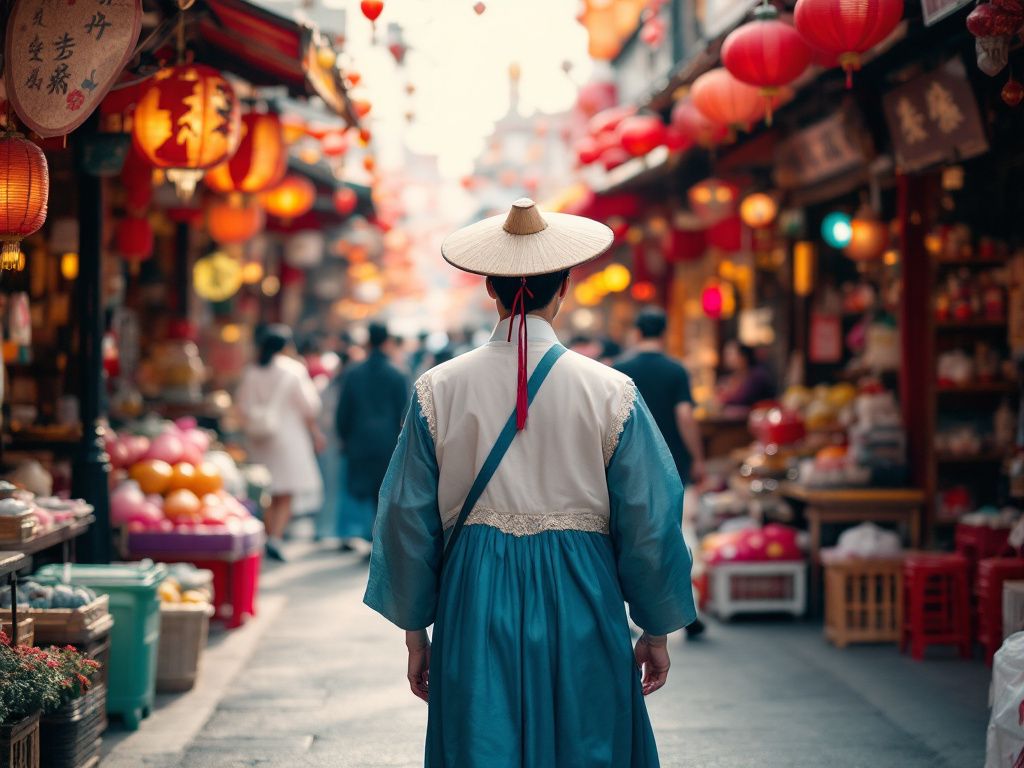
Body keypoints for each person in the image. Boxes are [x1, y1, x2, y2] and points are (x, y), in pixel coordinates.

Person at [364, 199, 696, 767]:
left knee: (482, 741)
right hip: (582, 586)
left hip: (474, 586)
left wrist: (416, 629)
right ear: (562, 288)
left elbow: (404, 515)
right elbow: (650, 515)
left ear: (491, 290)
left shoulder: (435, 389)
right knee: (586, 739)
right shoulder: (612, 391)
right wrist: (656, 627)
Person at [614, 307, 707, 639]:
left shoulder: (620, 370)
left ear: (637, 332)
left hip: (627, 464)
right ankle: (683, 613)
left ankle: (625, 612)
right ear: (664, 332)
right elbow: (685, 415)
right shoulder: (675, 370)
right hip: (670, 465)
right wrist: (697, 456)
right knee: (670, 535)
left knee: (626, 534)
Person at [236, 325, 324, 561]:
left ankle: (266, 534)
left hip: (259, 439)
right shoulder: (294, 369)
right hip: (289, 438)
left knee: (266, 489)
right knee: (286, 491)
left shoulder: (252, 371)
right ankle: (275, 537)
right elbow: (311, 406)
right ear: (286, 346)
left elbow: (242, 407)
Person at [336, 322, 410, 545]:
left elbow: (343, 411)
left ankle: (364, 534)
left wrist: (344, 437)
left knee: (362, 490)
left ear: (367, 341)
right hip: (387, 441)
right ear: (387, 341)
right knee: (383, 491)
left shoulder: (353, 373)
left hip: (359, 439)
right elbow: (404, 412)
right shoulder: (397, 374)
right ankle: (378, 537)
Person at [716, 339, 776, 408]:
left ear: (743, 356)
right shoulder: (734, 376)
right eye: (725, 354)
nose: (726, 358)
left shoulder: (757, 375)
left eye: (730, 354)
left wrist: (724, 397)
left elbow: (742, 401)